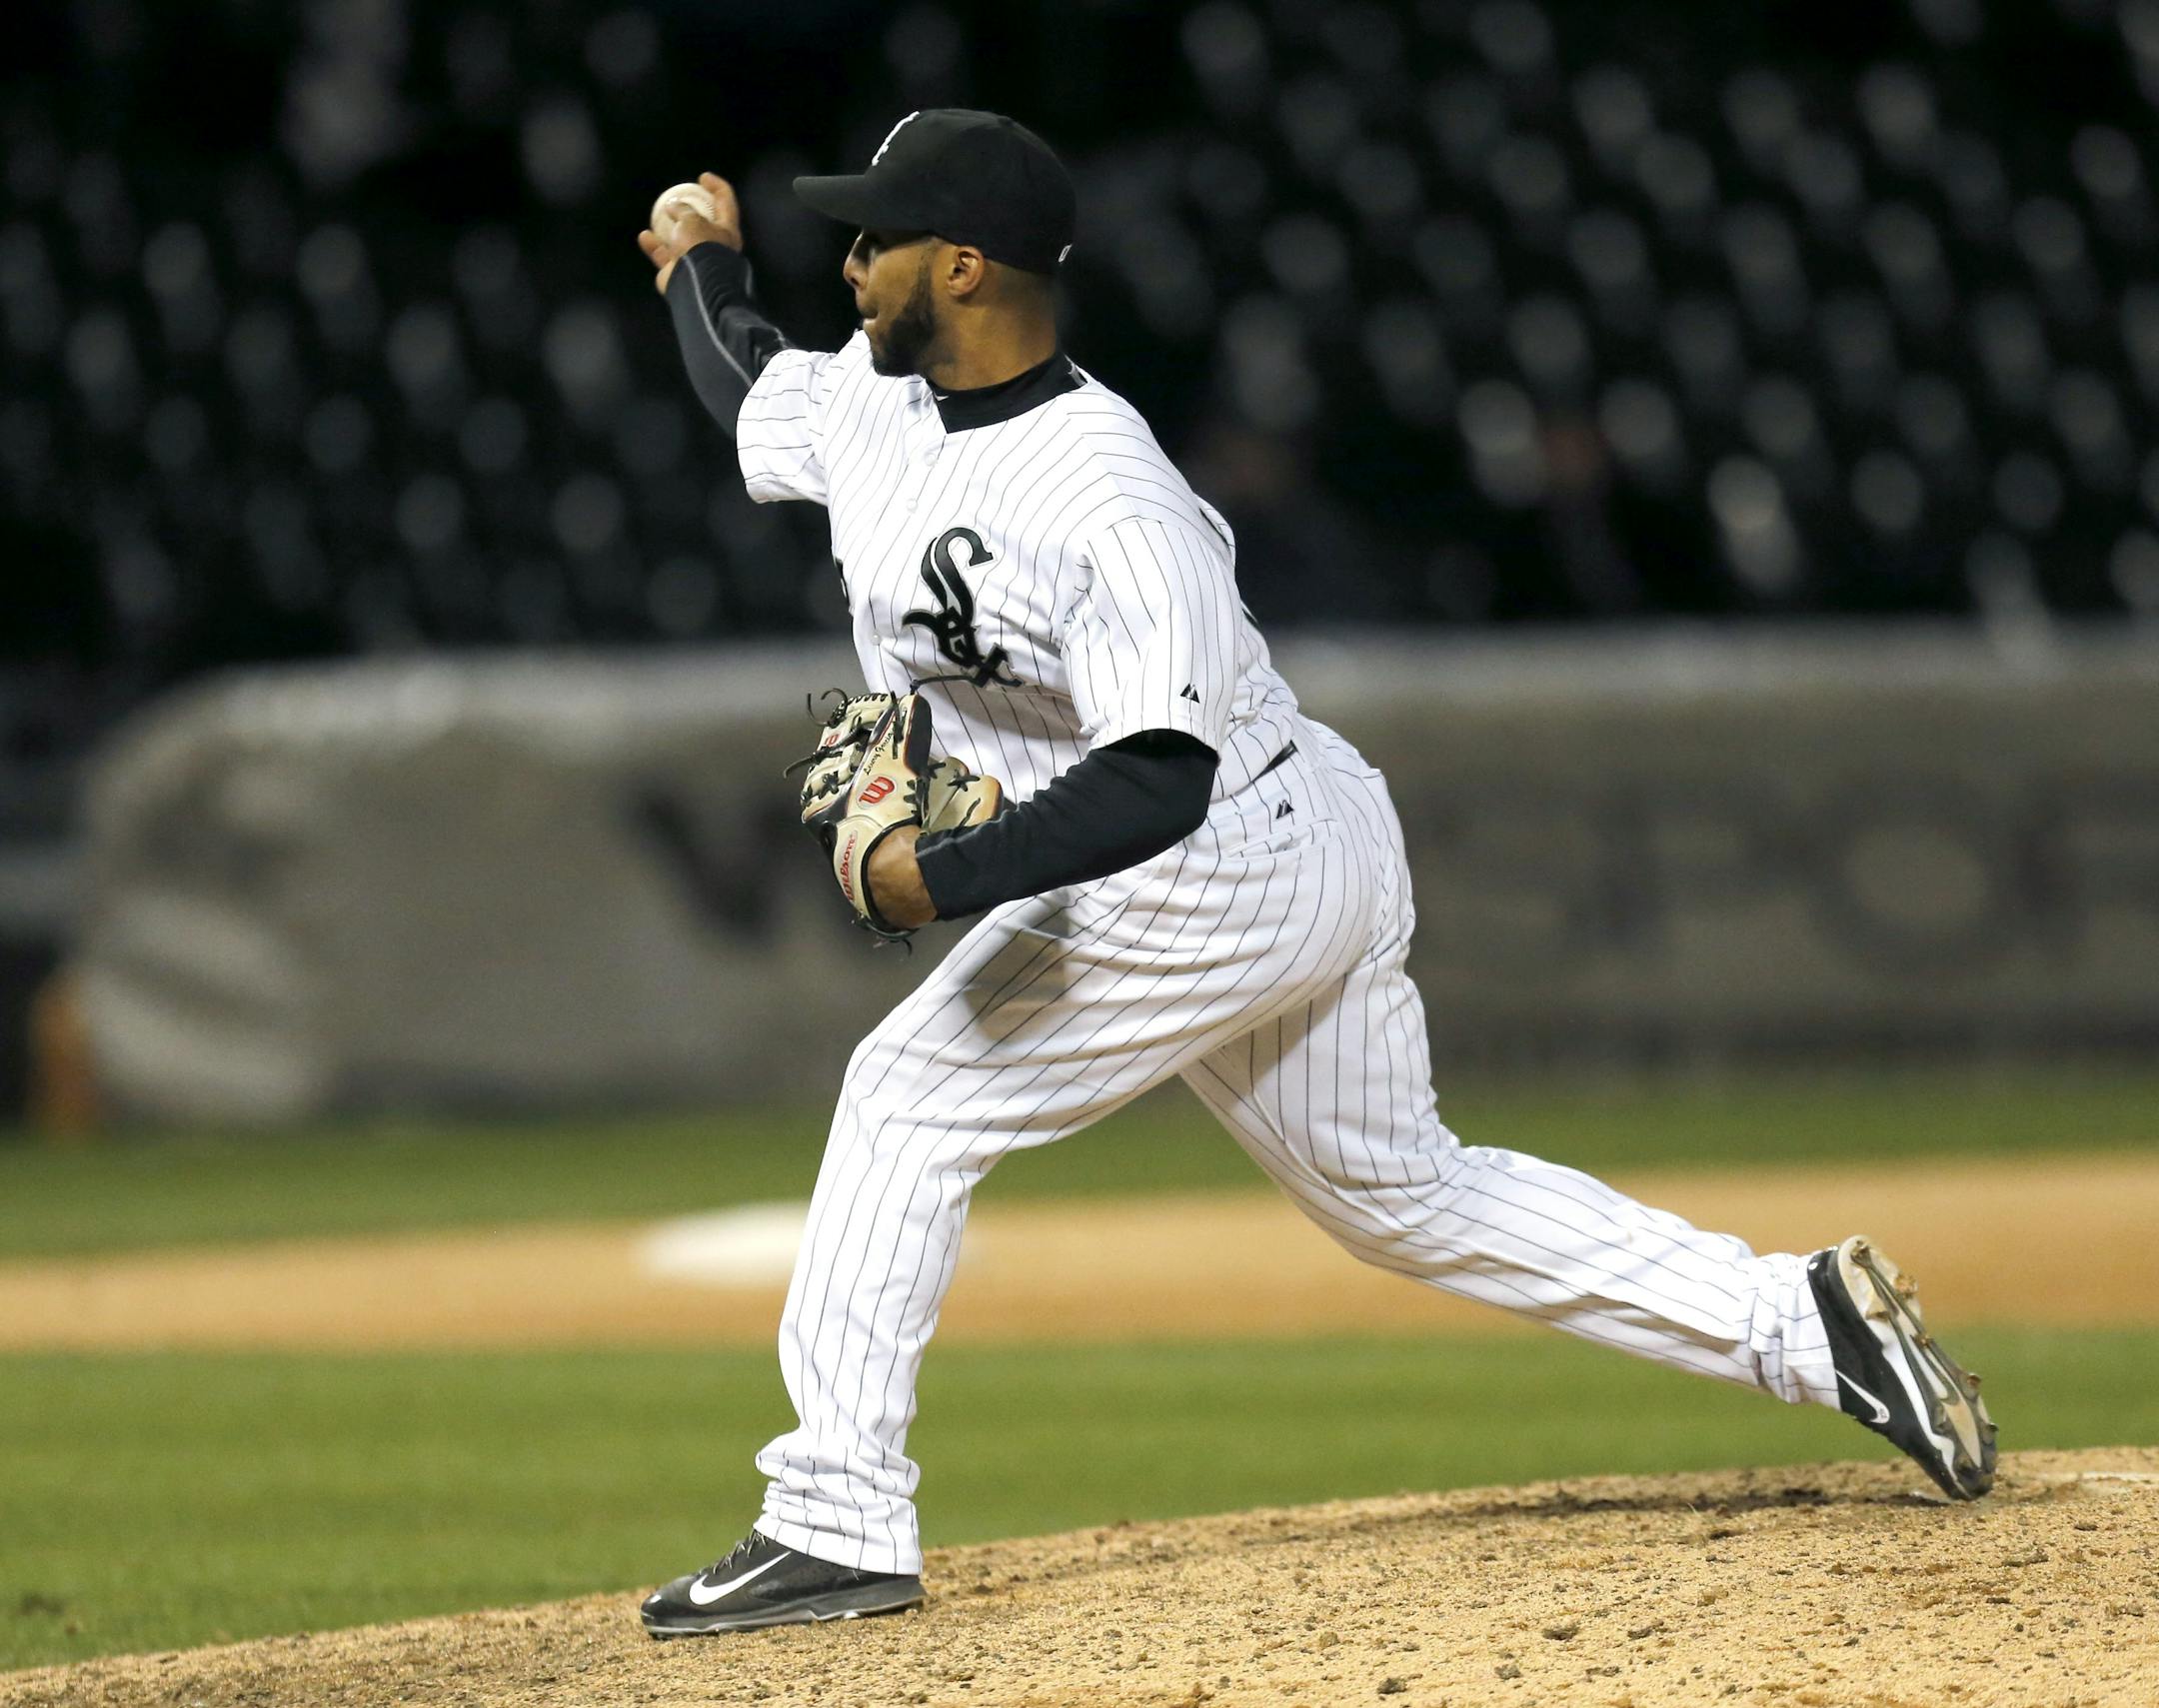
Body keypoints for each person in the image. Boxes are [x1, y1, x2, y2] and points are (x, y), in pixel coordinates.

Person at [632, 110, 1996, 1637]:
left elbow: (1158, 777)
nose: (854, 261)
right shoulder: (879, 402)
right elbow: (751, 375)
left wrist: (934, 886)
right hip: (1289, 838)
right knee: (1402, 1191)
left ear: (964, 264)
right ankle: (1804, 1322)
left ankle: (835, 1510)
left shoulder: (1109, 494)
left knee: (906, 1097)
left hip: (1218, 853)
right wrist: (701, 263)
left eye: (876, 238)